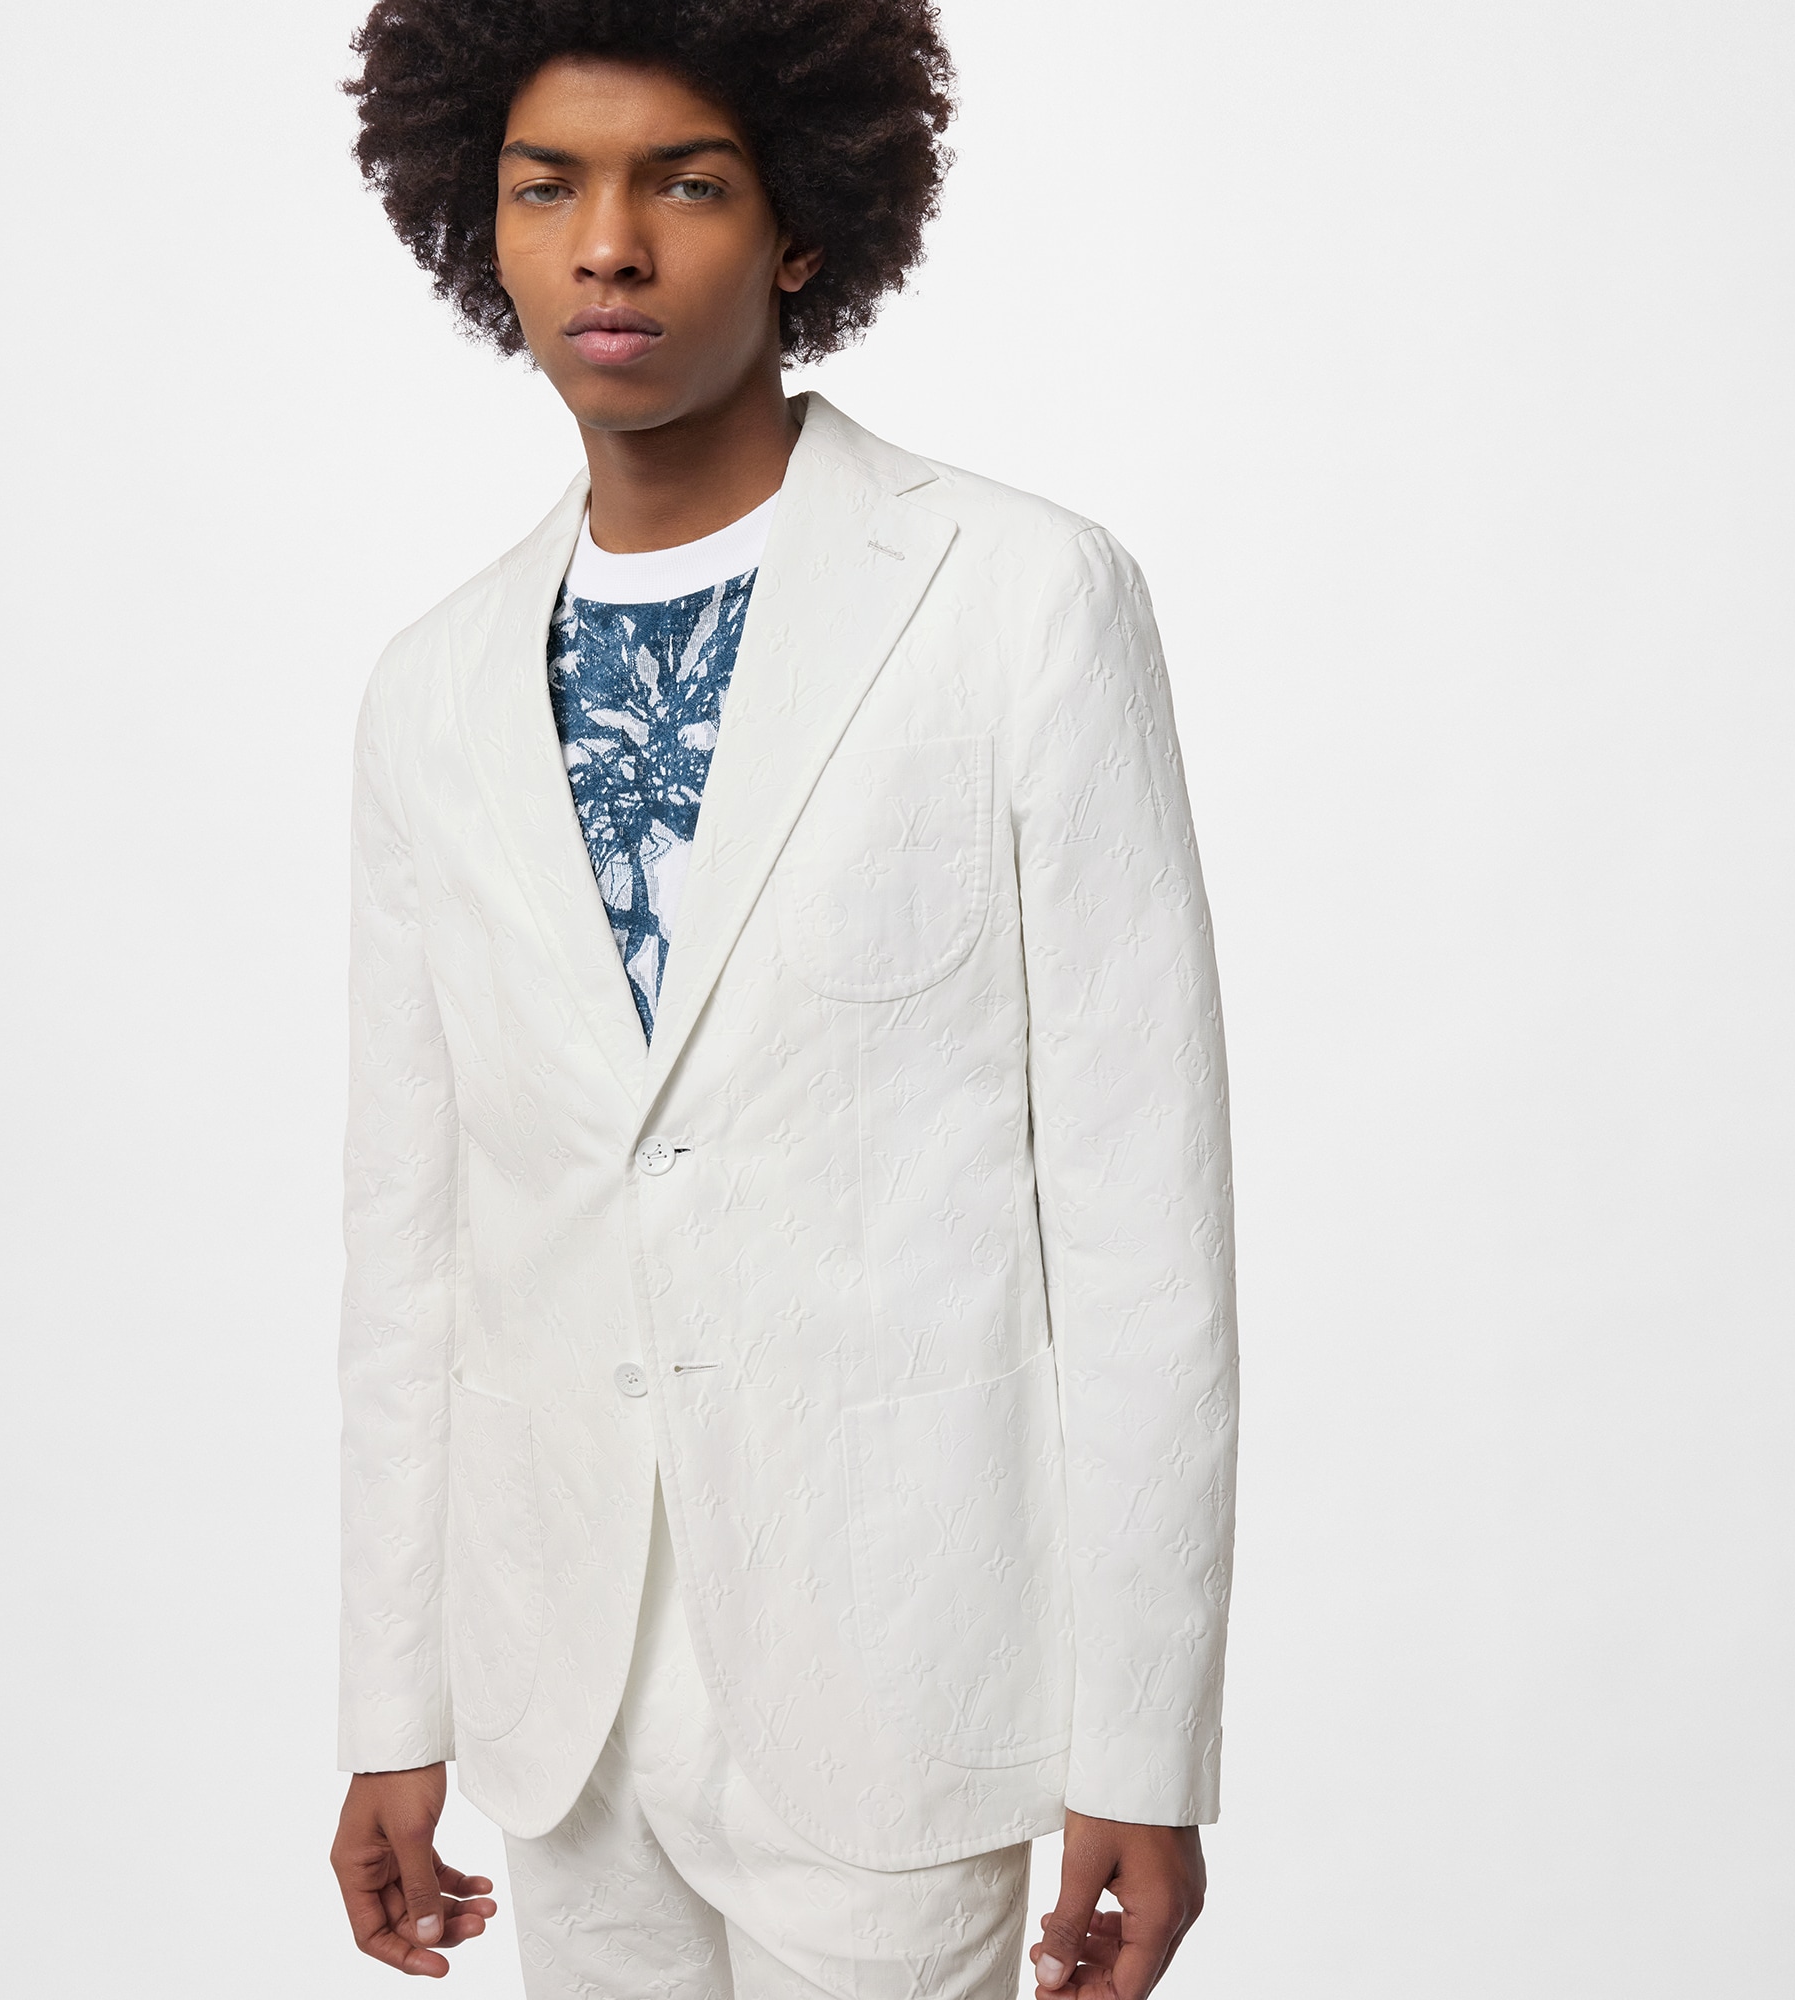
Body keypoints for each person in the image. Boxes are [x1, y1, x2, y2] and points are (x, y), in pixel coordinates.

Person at [328, 4, 1239, 1995]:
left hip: (895, 1666)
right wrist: (392, 1707)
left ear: (804, 225)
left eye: (686, 183)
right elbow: (413, 1250)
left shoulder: (1019, 598)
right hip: (562, 1702)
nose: (608, 246)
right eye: (547, 188)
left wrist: (1142, 1741)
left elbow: (1142, 1227)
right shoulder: (432, 688)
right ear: (479, 223)